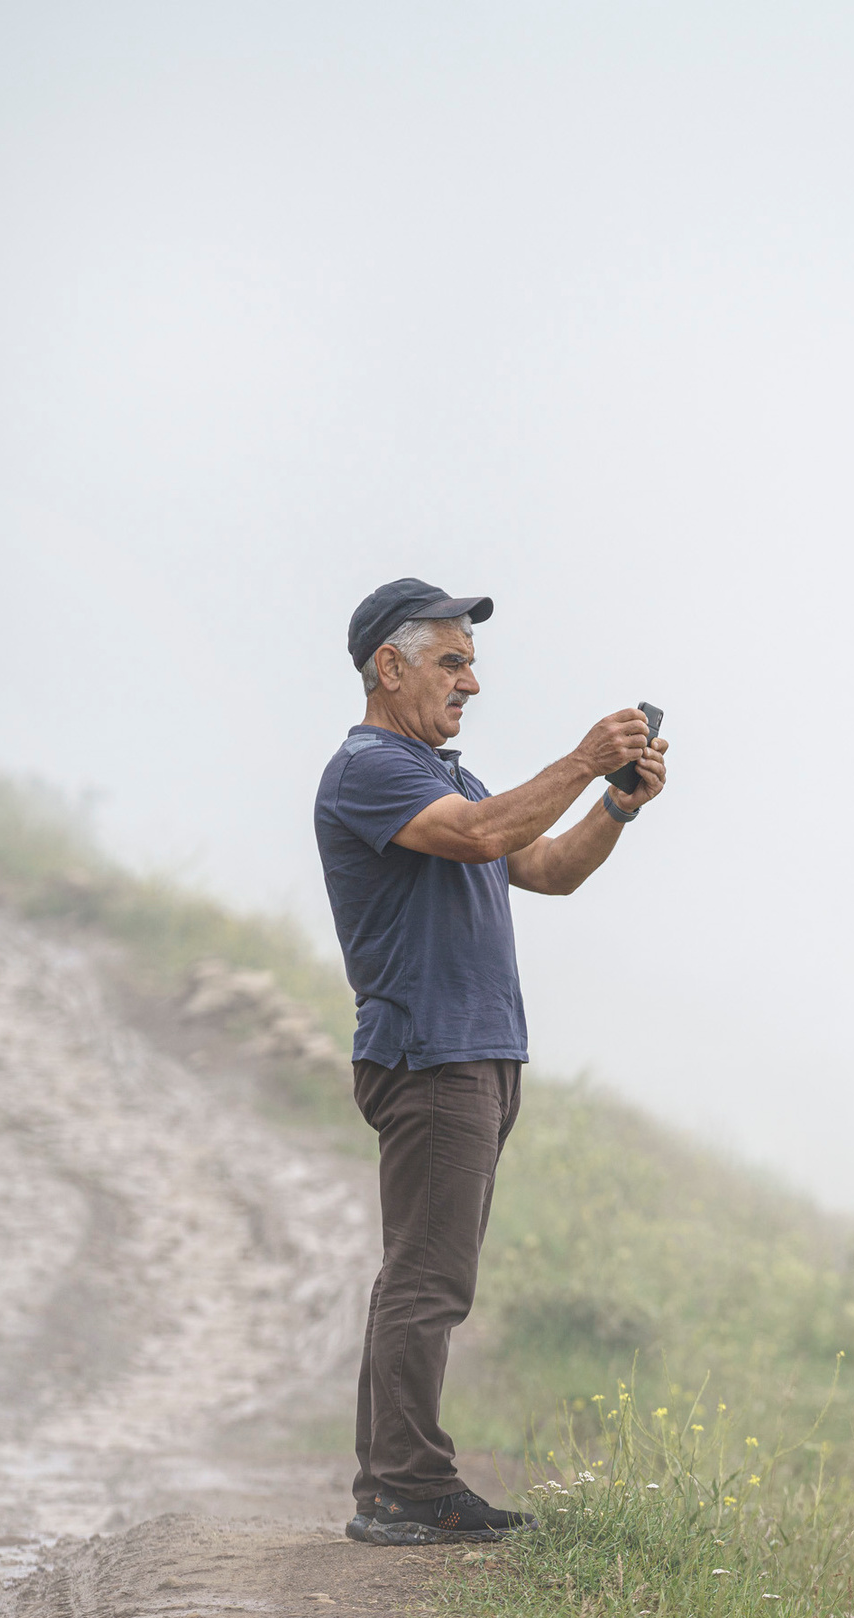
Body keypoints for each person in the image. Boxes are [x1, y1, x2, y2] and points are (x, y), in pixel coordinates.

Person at [313, 579, 668, 1544]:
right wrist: (583, 757)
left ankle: (397, 1482)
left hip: (473, 1053)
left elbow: (543, 867)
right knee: (428, 1279)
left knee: (426, 1273)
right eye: (452, 662)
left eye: (470, 663)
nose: (471, 681)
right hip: (433, 1052)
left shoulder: (448, 778)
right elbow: (479, 839)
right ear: (390, 667)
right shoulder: (370, 768)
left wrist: (616, 804)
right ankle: (405, 1487)